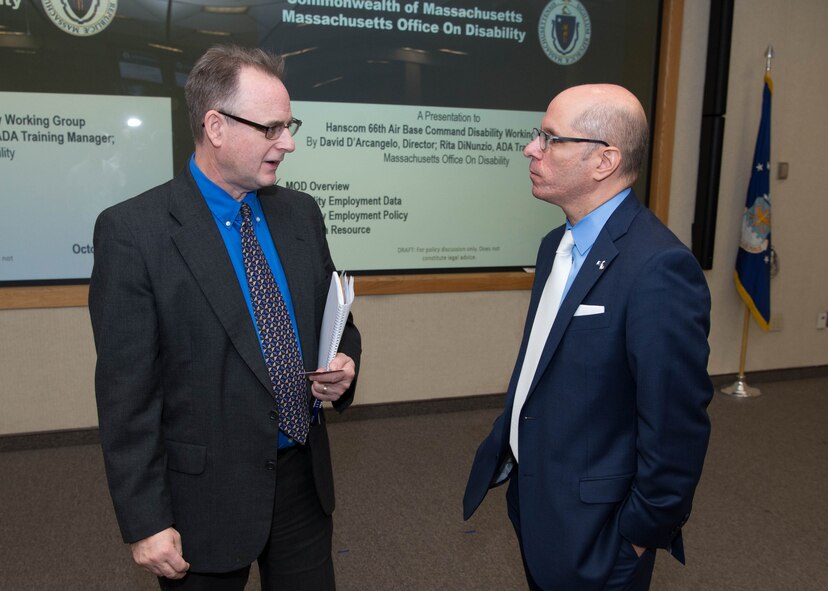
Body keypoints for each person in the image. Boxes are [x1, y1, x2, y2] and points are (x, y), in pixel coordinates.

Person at [89, 44, 361, 590]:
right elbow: (127, 394)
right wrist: (147, 520)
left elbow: (336, 315)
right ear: (215, 126)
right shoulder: (134, 233)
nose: (288, 143)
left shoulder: (300, 214)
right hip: (202, 500)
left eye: (290, 125)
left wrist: (346, 361)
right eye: (272, 128)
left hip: (302, 482)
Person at [463, 84, 713, 591]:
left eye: (550, 138)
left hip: (602, 535)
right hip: (538, 502)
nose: (530, 148)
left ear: (604, 161)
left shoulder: (659, 267)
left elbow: (676, 426)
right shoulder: (557, 243)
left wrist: (639, 536)